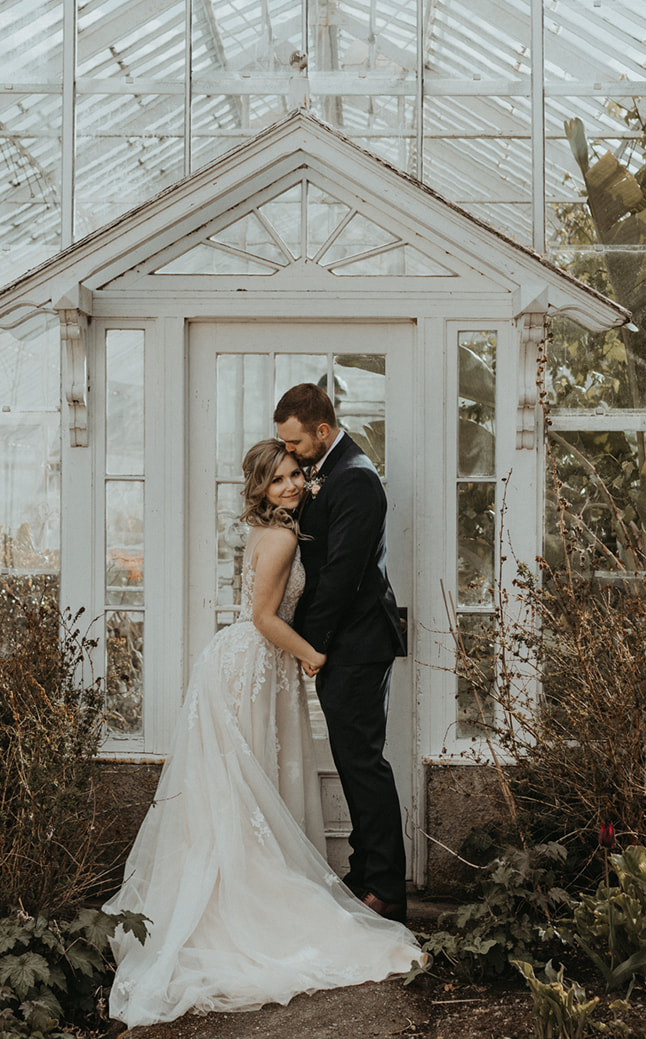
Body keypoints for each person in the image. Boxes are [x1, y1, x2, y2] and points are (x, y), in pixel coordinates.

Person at [105, 438, 422, 1030]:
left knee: (247, 787)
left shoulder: (276, 530)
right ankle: (245, 897)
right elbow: (263, 617)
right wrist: (315, 657)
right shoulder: (278, 538)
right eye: (279, 480)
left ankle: (249, 882)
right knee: (245, 786)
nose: (294, 485)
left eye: (297, 473)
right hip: (251, 664)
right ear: (260, 489)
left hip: (252, 664)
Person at [273, 382, 408, 922]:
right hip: (344, 646)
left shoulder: (355, 479)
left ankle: (387, 891)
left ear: (322, 431)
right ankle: (363, 870)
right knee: (353, 764)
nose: (290, 453)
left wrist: (312, 648)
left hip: (355, 644)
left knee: (363, 763)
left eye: (296, 443)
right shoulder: (330, 470)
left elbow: (340, 578)